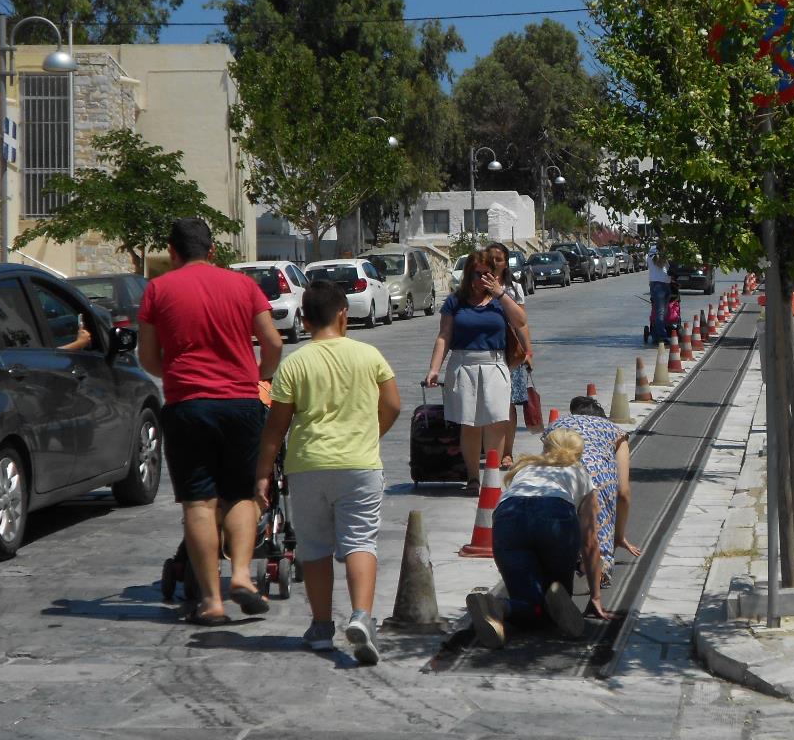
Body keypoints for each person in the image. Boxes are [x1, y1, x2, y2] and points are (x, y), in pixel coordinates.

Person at [138, 217, 283, 626]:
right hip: (241, 403)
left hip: (188, 406)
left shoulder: (158, 290)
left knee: (199, 502)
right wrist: (258, 376)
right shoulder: (243, 286)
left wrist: (177, 376)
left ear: (172, 251)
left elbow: (147, 357)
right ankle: (241, 575)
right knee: (240, 494)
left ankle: (212, 602)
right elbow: (273, 342)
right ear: (213, 250)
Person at [254, 281, 400, 664]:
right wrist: (370, 434)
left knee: (315, 548)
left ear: (303, 320)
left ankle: (321, 628)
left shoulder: (295, 362)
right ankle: (361, 617)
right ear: (343, 315)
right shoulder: (369, 355)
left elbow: (275, 428)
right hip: (360, 465)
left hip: (308, 466)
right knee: (360, 542)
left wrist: (263, 475)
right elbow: (393, 405)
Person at [463, 429, 616, 649]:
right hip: (555, 516)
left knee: (528, 602)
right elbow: (590, 542)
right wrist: (595, 597)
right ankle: (551, 601)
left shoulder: (525, 468)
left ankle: (499, 607)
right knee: (553, 601)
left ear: (546, 449)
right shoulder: (580, 473)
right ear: (578, 454)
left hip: (508, 518)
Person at [426, 250, 530, 495]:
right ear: (468, 275)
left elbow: (521, 321)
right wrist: (434, 368)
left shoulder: (500, 300)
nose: (483, 278)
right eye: (478, 274)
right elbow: (444, 336)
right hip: (463, 364)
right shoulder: (455, 301)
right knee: (470, 424)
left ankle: (492, 476)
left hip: (495, 364)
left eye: (487, 273)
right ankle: (473, 477)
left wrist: (500, 293)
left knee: (496, 421)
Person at [548, 396, 641, 588]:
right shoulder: (615, 431)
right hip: (598, 480)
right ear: (602, 417)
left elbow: (545, 464)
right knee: (596, 533)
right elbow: (623, 492)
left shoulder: (557, 425)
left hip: (560, 480)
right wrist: (618, 535)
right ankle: (594, 568)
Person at [485, 242, 533, 470]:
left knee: (509, 403)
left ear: (505, 263)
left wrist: (528, 351)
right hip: (485, 350)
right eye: (490, 258)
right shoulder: (476, 285)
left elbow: (522, 323)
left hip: (510, 352)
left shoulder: (513, 288)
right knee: (486, 403)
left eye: (499, 259)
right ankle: (489, 448)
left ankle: (507, 452)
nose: (494, 262)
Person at [646, 241, 671, 344]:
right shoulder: (653, 252)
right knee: (660, 311)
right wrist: (665, 253)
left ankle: (656, 334)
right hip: (658, 284)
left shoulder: (665, 253)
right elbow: (659, 264)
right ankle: (661, 336)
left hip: (666, 283)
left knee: (664, 312)